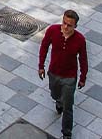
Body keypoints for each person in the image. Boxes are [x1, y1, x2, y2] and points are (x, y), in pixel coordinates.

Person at [38, 10, 88, 139]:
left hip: (70, 77)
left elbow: (83, 59)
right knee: (55, 94)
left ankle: (67, 133)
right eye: (64, 23)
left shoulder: (80, 39)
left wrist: (82, 78)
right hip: (54, 73)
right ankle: (58, 101)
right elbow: (44, 47)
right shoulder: (52, 30)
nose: (65, 27)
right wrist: (41, 66)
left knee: (68, 106)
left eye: (69, 25)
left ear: (75, 26)